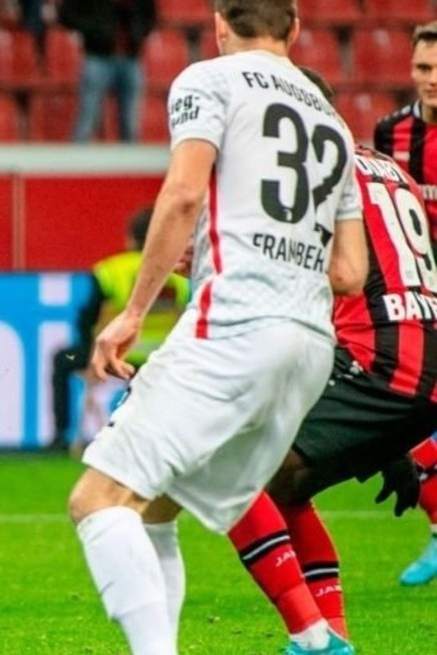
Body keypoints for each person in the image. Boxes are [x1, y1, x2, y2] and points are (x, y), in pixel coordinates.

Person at [66, 2, 369, 655]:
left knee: (97, 499)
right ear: (293, 29)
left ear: (219, 25)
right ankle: (311, 634)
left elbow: (181, 193)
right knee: (154, 505)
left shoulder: (209, 80)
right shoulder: (334, 124)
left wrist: (134, 312)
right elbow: (349, 269)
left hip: (237, 322)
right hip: (309, 344)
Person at [223, 66, 437, 648]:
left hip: (382, 360)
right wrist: (396, 439)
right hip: (417, 360)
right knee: (287, 486)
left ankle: (315, 637)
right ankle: (326, 636)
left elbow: (323, 282)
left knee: (235, 472)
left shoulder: (313, 174)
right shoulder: (392, 169)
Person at [372, 20, 437, 586]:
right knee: (406, 413)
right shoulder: (390, 135)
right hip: (416, 296)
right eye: (421, 68)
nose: (431, 79)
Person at [49, 207, 189, 452]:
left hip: (116, 359)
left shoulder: (110, 271)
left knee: (62, 360)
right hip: (163, 361)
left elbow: (87, 320)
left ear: (130, 238)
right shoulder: (179, 273)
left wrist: (92, 351)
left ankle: (60, 438)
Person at [58, 0, 156, 143]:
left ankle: (131, 164)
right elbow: (66, 14)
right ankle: (76, 162)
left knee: (130, 122)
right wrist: (95, 31)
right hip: (98, 56)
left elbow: (150, 16)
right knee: (88, 117)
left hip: (131, 57)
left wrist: (138, 34)